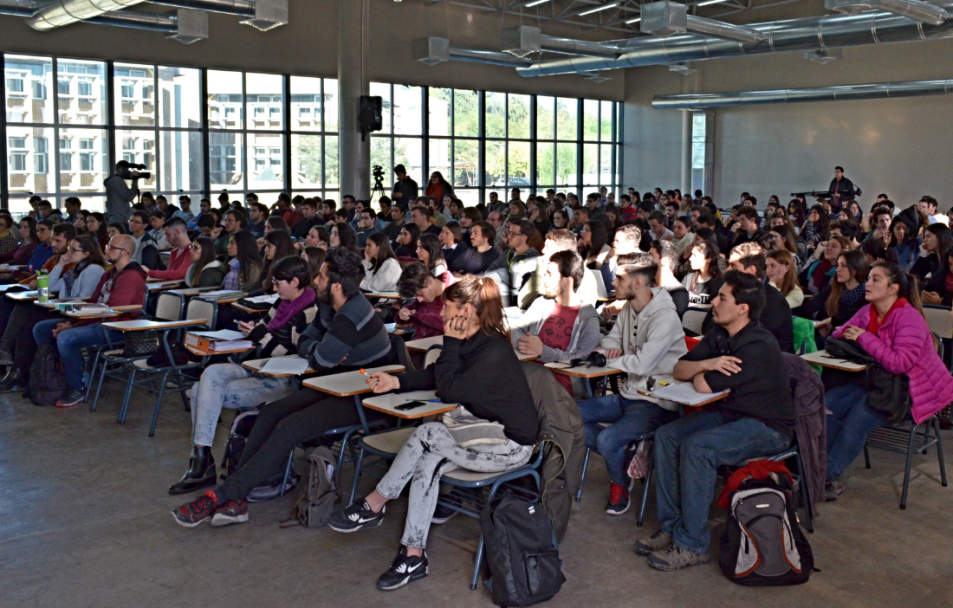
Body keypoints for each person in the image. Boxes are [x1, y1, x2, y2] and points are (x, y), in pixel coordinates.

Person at [328, 275, 538, 591]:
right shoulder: (473, 342)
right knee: (428, 462)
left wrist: (450, 342)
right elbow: (439, 374)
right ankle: (413, 555)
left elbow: (450, 389)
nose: (441, 314)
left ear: (465, 312)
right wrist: (396, 382)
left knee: (429, 433)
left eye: (448, 308)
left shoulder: (493, 351)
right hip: (481, 435)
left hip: (510, 445)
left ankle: (376, 501)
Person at [171, 249, 395, 527]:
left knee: (290, 427)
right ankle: (238, 498)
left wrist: (318, 351)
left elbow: (322, 359)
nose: (316, 281)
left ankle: (224, 495)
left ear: (337, 286)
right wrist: (317, 349)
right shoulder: (328, 305)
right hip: (335, 382)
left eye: (322, 277)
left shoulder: (353, 314)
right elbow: (308, 343)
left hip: (365, 395)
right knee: (270, 414)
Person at [636, 270, 795, 571]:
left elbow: (702, 386)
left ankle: (693, 544)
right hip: (732, 415)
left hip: (768, 427)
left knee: (699, 448)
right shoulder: (721, 333)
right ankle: (672, 527)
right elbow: (680, 369)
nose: (714, 302)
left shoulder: (757, 344)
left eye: (723, 297)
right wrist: (709, 363)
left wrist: (702, 372)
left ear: (742, 308)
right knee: (668, 435)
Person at [169, 256, 319, 495]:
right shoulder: (280, 302)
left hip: (280, 380)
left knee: (199, 391)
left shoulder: (311, 311)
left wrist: (260, 334)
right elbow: (265, 329)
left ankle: (200, 463)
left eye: (279, 282)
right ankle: (201, 455)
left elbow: (293, 355)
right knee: (212, 371)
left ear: (295, 281)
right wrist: (250, 331)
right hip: (257, 366)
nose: (274, 287)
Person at [824, 263, 953, 500]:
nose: (868, 284)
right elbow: (838, 332)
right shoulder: (870, 310)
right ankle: (816, 467)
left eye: (875, 279)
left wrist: (863, 337)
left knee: (858, 417)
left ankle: (826, 477)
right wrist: (853, 332)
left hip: (913, 390)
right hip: (882, 381)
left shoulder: (908, 318)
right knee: (829, 404)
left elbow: (899, 363)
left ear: (893, 288)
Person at [579, 251, 690, 515]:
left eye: (619, 278)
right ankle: (626, 455)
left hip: (657, 402)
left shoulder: (665, 316)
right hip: (628, 394)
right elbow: (611, 341)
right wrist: (613, 351)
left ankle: (620, 482)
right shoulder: (630, 307)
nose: (612, 283)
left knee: (607, 440)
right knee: (567, 414)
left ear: (638, 283)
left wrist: (609, 360)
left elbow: (642, 364)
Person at [35, 235, 147, 408]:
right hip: (100, 320)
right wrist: (71, 323)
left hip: (117, 328)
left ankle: (76, 387)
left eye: (111, 247)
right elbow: (94, 303)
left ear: (125, 252)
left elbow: (112, 312)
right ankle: (57, 375)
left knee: (67, 338)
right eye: (107, 246)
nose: (106, 250)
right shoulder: (110, 273)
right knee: (41, 329)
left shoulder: (130, 276)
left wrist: (72, 325)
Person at [0, 236, 106, 392]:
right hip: (64, 309)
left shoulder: (93, 269)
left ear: (86, 254)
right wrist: (60, 265)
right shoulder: (74, 268)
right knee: (24, 311)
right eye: (69, 248)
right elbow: (49, 287)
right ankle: (18, 370)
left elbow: (84, 299)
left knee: (29, 321)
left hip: (76, 314)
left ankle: (16, 365)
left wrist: (59, 305)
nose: (69, 252)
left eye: (73, 250)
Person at [510, 249, 601, 395]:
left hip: (560, 384)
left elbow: (584, 362)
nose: (544, 280)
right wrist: (524, 343)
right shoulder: (541, 303)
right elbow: (516, 329)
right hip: (528, 374)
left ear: (568, 281)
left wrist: (543, 351)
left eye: (550, 275)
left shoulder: (588, 317)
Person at [725, 243, 794, 353]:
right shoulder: (730, 292)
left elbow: (751, 336)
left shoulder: (773, 301)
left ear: (752, 270)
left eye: (733, 266)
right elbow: (709, 325)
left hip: (768, 361)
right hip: (737, 354)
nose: (727, 270)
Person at [800, 249, 869, 338]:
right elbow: (810, 307)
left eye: (843, 266)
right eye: (838, 265)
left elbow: (853, 318)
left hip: (845, 338)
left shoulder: (866, 294)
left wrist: (832, 321)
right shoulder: (834, 288)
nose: (837, 269)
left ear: (856, 269)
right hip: (824, 333)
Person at [483, 219, 540, 307]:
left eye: (513, 234)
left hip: (515, 302)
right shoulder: (507, 252)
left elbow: (516, 282)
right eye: (509, 232)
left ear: (524, 237)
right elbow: (488, 272)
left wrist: (500, 272)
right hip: (499, 295)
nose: (509, 236)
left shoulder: (532, 257)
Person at [396, 262, 457, 339]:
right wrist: (402, 314)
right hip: (418, 346)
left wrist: (417, 316)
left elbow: (450, 326)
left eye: (421, 294)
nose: (419, 300)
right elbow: (408, 313)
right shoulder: (425, 295)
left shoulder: (455, 295)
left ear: (430, 281)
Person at [649, 240, 690, 318]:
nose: (646, 260)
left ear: (665, 261)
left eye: (651, 256)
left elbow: (669, 322)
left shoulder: (678, 293)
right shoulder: (647, 285)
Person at [681, 240, 724, 306]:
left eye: (695, 255)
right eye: (691, 254)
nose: (690, 258)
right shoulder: (688, 279)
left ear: (708, 260)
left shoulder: (719, 283)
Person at [103, 160, 141, 224]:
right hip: (120, 219)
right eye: (127, 170)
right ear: (121, 170)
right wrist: (135, 180)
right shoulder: (117, 180)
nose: (129, 172)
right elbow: (129, 196)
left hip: (115, 217)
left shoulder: (112, 180)